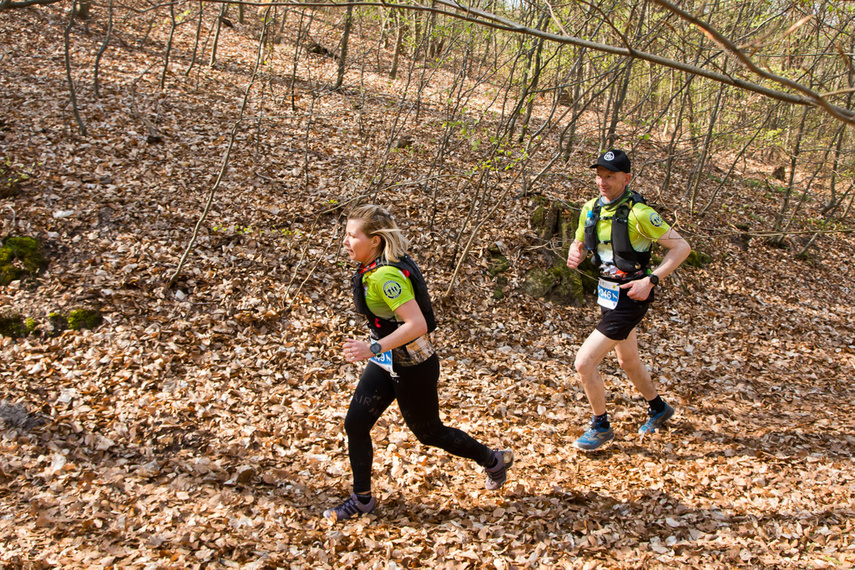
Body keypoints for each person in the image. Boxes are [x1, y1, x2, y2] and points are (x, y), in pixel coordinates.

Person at [324, 204, 513, 522]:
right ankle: (362, 499)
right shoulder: (376, 266)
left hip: (414, 365)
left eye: (352, 235)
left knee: (429, 432)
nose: (345, 241)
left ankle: (492, 460)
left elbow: (417, 325)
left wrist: (372, 347)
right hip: (388, 362)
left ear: (375, 241)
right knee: (356, 423)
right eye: (346, 234)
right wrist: (378, 350)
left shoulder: (386, 275)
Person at [566, 149, 691, 451]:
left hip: (632, 297)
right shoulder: (591, 209)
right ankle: (659, 408)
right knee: (628, 360)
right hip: (606, 295)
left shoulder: (640, 213)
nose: (602, 181)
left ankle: (601, 426)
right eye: (599, 175)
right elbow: (581, 240)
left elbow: (681, 248)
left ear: (626, 178)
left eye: (610, 176)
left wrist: (652, 280)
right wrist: (576, 250)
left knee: (583, 363)